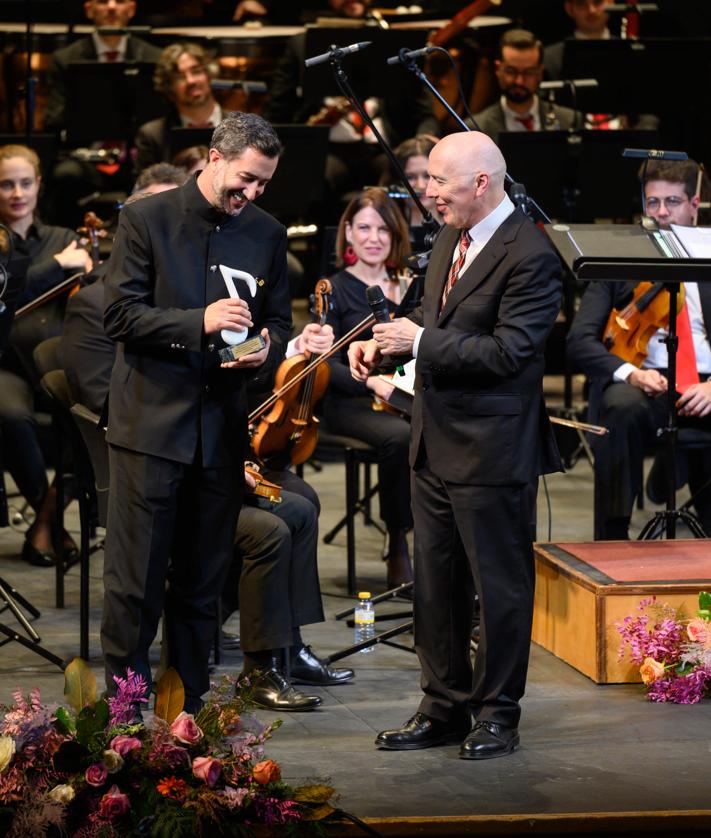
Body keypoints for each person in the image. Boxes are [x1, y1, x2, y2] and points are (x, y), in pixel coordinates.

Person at [349, 131, 563, 759]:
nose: (428, 191)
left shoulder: (531, 253)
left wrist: (413, 341)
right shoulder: (450, 235)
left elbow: (510, 354)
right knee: (436, 587)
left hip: (492, 449)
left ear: (481, 182)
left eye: (440, 181)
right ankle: (442, 706)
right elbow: (430, 320)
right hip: (433, 438)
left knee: (497, 589)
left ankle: (497, 714)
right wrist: (384, 346)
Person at [101, 112, 292, 714]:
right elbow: (120, 317)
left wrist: (263, 351)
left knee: (201, 588)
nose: (252, 194)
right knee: (134, 589)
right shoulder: (145, 219)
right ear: (213, 157)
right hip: (152, 433)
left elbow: (278, 323)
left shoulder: (266, 233)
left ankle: (186, 716)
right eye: (245, 179)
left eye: (263, 184)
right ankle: (123, 721)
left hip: (220, 434)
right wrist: (199, 322)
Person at [566, 158, 711, 540]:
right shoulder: (621, 260)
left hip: (706, 385)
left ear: (695, 204)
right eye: (653, 203)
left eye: (673, 202)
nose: (662, 213)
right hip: (648, 383)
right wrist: (632, 373)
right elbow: (579, 340)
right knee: (621, 405)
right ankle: (612, 537)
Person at [0, 144, 92, 567]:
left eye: (24, 183)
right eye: (5, 184)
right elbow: (11, 288)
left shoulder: (63, 237)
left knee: (90, 415)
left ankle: (46, 518)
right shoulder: (54, 250)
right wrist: (58, 265)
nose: (16, 193)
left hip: (54, 363)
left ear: (38, 185)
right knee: (9, 416)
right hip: (7, 366)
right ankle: (49, 519)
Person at [322, 188, 415, 588]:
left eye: (383, 229)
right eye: (364, 227)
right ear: (348, 232)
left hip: (407, 395)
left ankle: (442, 544)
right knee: (401, 438)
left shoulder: (410, 286)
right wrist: (374, 383)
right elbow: (324, 364)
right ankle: (398, 541)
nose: (374, 238)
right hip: (350, 401)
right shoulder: (334, 288)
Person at [44, 0, 162, 134]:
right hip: (84, 146)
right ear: (89, 10)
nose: (111, 7)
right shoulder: (64, 60)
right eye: (102, 1)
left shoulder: (156, 58)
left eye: (120, 1)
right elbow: (54, 119)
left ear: (131, 9)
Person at [469, 29, 579, 144]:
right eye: (511, 71)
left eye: (529, 72)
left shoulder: (570, 121)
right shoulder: (475, 129)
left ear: (540, 72)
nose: (519, 81)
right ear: (497, 69)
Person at [135, 43, 222, 172]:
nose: (190, 81)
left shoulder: (243, 127)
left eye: (196, 71)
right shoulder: (153, 136)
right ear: (169, 88)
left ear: (209, 77)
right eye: (180, 76)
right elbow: (146, 190)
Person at [380, 135, 442, 250]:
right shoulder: (384, 227)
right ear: (397, 181)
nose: (420, 185)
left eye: (427, 176)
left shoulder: (458, 226)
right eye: (410, 177)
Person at [543, 0, 613, 82]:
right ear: (569, 9)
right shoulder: (548, 58)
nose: (591, 10)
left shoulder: (629, 49)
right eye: (581, 4)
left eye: (597, 2)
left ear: (611, 3)